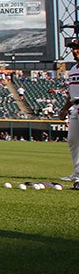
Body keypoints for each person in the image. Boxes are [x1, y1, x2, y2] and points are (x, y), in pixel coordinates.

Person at [56, 39, 79, 182]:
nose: (75, 51)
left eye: (77, 48)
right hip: (75, 107)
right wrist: (65, 109)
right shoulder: (73, 70)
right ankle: (77, 173)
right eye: (73, 49)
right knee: (72, 140)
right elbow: (71, 92)